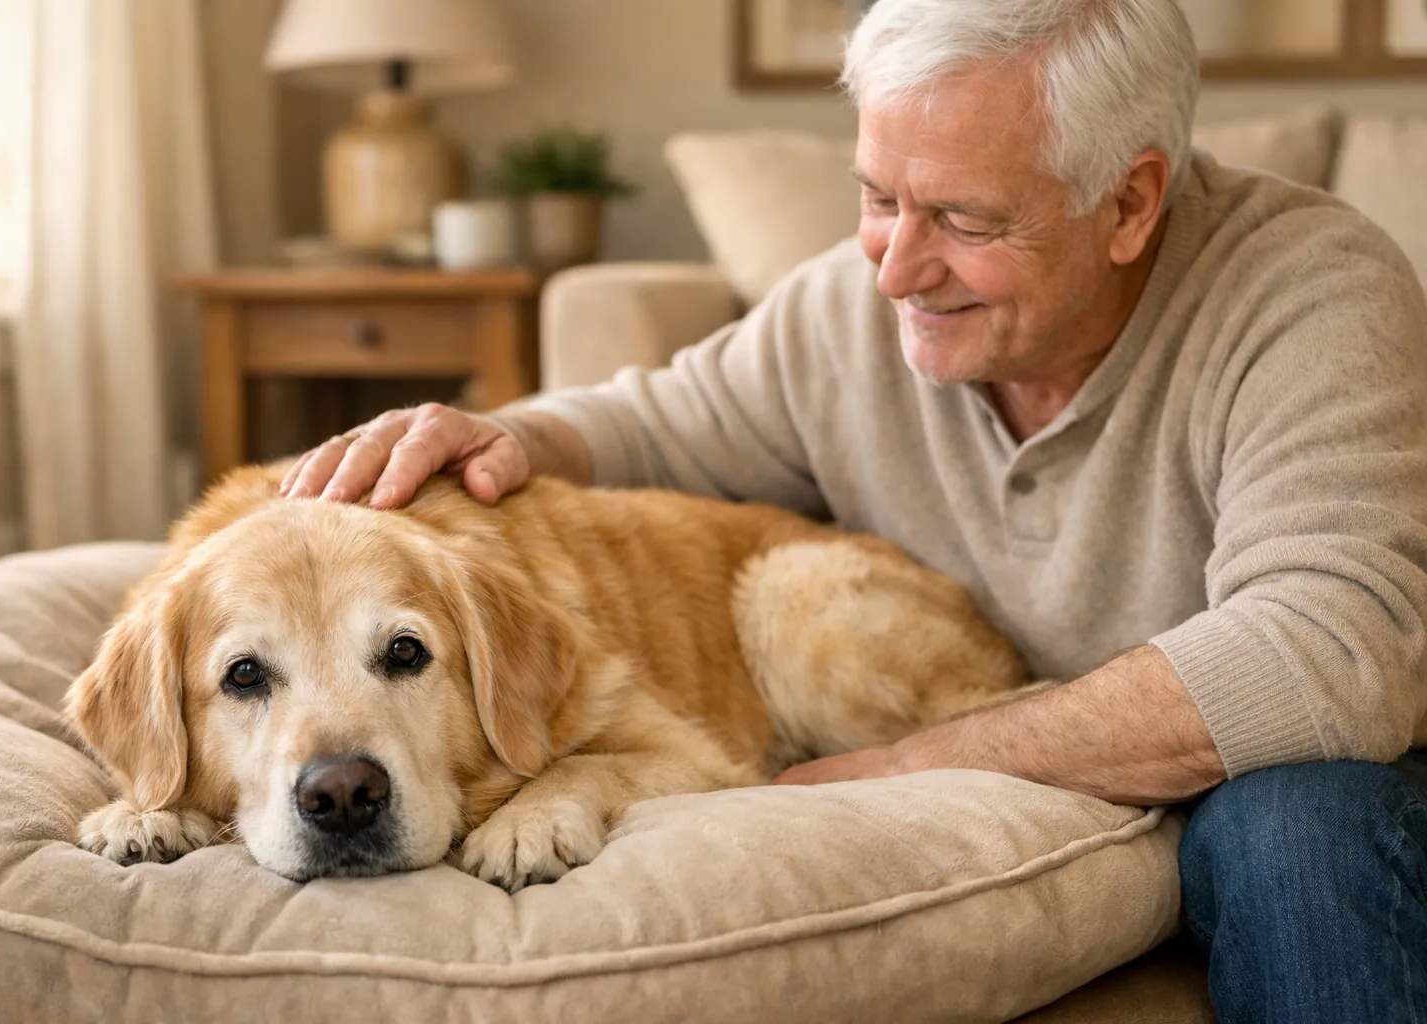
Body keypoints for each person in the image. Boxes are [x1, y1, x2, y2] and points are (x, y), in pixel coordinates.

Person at [279, 0, 1427, 1018]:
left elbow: (1335, 652)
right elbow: (661, 421)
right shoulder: (850, 309)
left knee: (1295, 831)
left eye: (965, 220)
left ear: (1129, 203)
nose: (894, 269)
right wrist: (509, 436)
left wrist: (911, 764)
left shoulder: (1310, 291)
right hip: (1012, 723)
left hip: (1298, 777)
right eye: (879, 197)